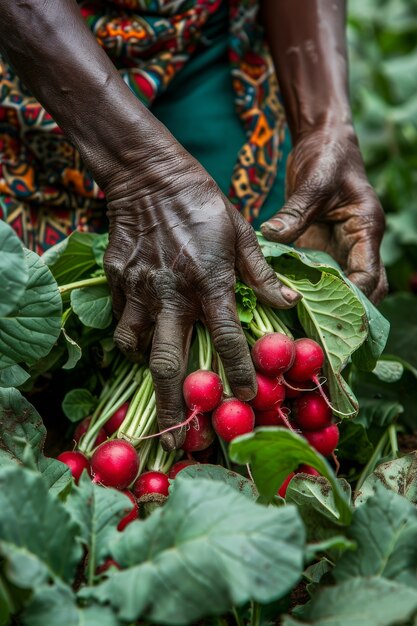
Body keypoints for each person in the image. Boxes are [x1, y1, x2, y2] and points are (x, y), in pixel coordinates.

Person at [0, 0, 387, 450]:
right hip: (27, 40)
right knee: (29, 355)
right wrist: (144, 173)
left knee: (222, 275)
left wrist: (325, 122)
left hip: (203, 37)